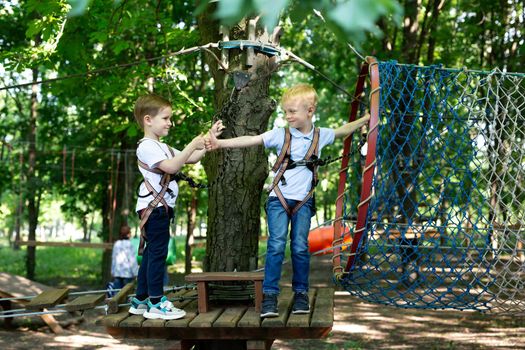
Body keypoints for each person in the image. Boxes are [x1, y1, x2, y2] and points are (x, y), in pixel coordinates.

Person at [205, 83, 369, 318]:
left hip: (303, 201)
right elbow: (251, 140)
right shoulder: (280, 134)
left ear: (310, 111)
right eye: (286, 112)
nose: (287, 116)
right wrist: (220, 144)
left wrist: (364, 120)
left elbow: (343, 130)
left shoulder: (320, 136)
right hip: (278, 200)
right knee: (276, 246)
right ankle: (270, 296)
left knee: (300, 248)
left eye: (292, 111)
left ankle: (301, 294)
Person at [129, 93, 222, 320]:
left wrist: (208, 140)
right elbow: (171, 167)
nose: (170, 122)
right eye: (166, 118)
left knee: (152, 253)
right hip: (155, 209)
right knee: (158, 255)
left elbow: (192, 158)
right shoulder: (146, 147)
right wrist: (192, 144)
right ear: (148, 120)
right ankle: (156, 301)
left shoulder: (162, 146)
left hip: (160, 209)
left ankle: (141, 299)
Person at [108, 225, 138, 298]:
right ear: (128, 234)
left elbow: (114, 258)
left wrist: (112, 271)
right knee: (127, 294)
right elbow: (132, 260)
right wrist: (136, 272)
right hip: (127, 274)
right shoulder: (129, 244)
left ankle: (117, 308)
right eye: (130, 233)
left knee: (117, 294)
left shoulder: (117, 244)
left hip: (117, 273)